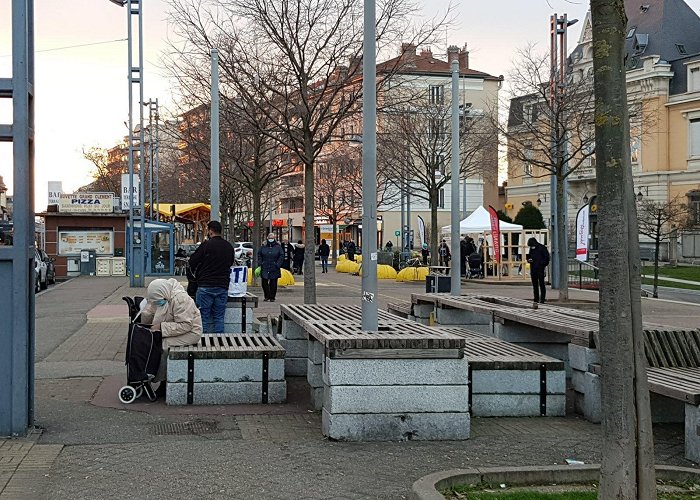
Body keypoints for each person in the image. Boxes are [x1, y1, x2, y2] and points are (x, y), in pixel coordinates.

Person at [140, 278, 202, 398]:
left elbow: (186, 325)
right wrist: (146, 314)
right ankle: (155, 377)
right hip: (179, 330)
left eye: (158, 301)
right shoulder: (164, 294)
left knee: (163, 346)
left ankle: (163, 381)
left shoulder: (180, 299)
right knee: (155, 343)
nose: (158, 303)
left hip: (191, 333)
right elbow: (153, 307)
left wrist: (162, 327)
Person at [188, 220, 234, 333]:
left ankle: (203, 344)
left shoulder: (206, 245)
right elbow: (231, 262)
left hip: (205, 286)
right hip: (222, 286)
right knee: (219, 318)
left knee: (203, 318)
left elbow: (192, 261)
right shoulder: (228, 247)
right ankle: (219, 345)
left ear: (210, 231)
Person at [258, 233, 284, 302]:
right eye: (269, 237)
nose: (271, 239)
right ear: (267, 237)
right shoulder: (263, 246)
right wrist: (261, 263)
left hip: (274, 267)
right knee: (264, 282)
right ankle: (267, 295)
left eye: (272, 237)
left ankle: (272, 297)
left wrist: (277, 264)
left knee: (273, 283)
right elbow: (259, 254)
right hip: (265, 266)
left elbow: (281, 256)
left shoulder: (278, 247)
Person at [527, 237, 550, 305]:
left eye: (532, 246)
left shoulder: (542, 248)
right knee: (535, 285)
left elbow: (547, 258)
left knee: (541, 284)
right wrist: (529, 260)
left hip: (540, 269)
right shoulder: (531, 249)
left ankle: (542, 299)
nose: (531, 247)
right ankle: (536, 299)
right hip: (533, 268)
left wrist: (541, 264)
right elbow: (529, 256)